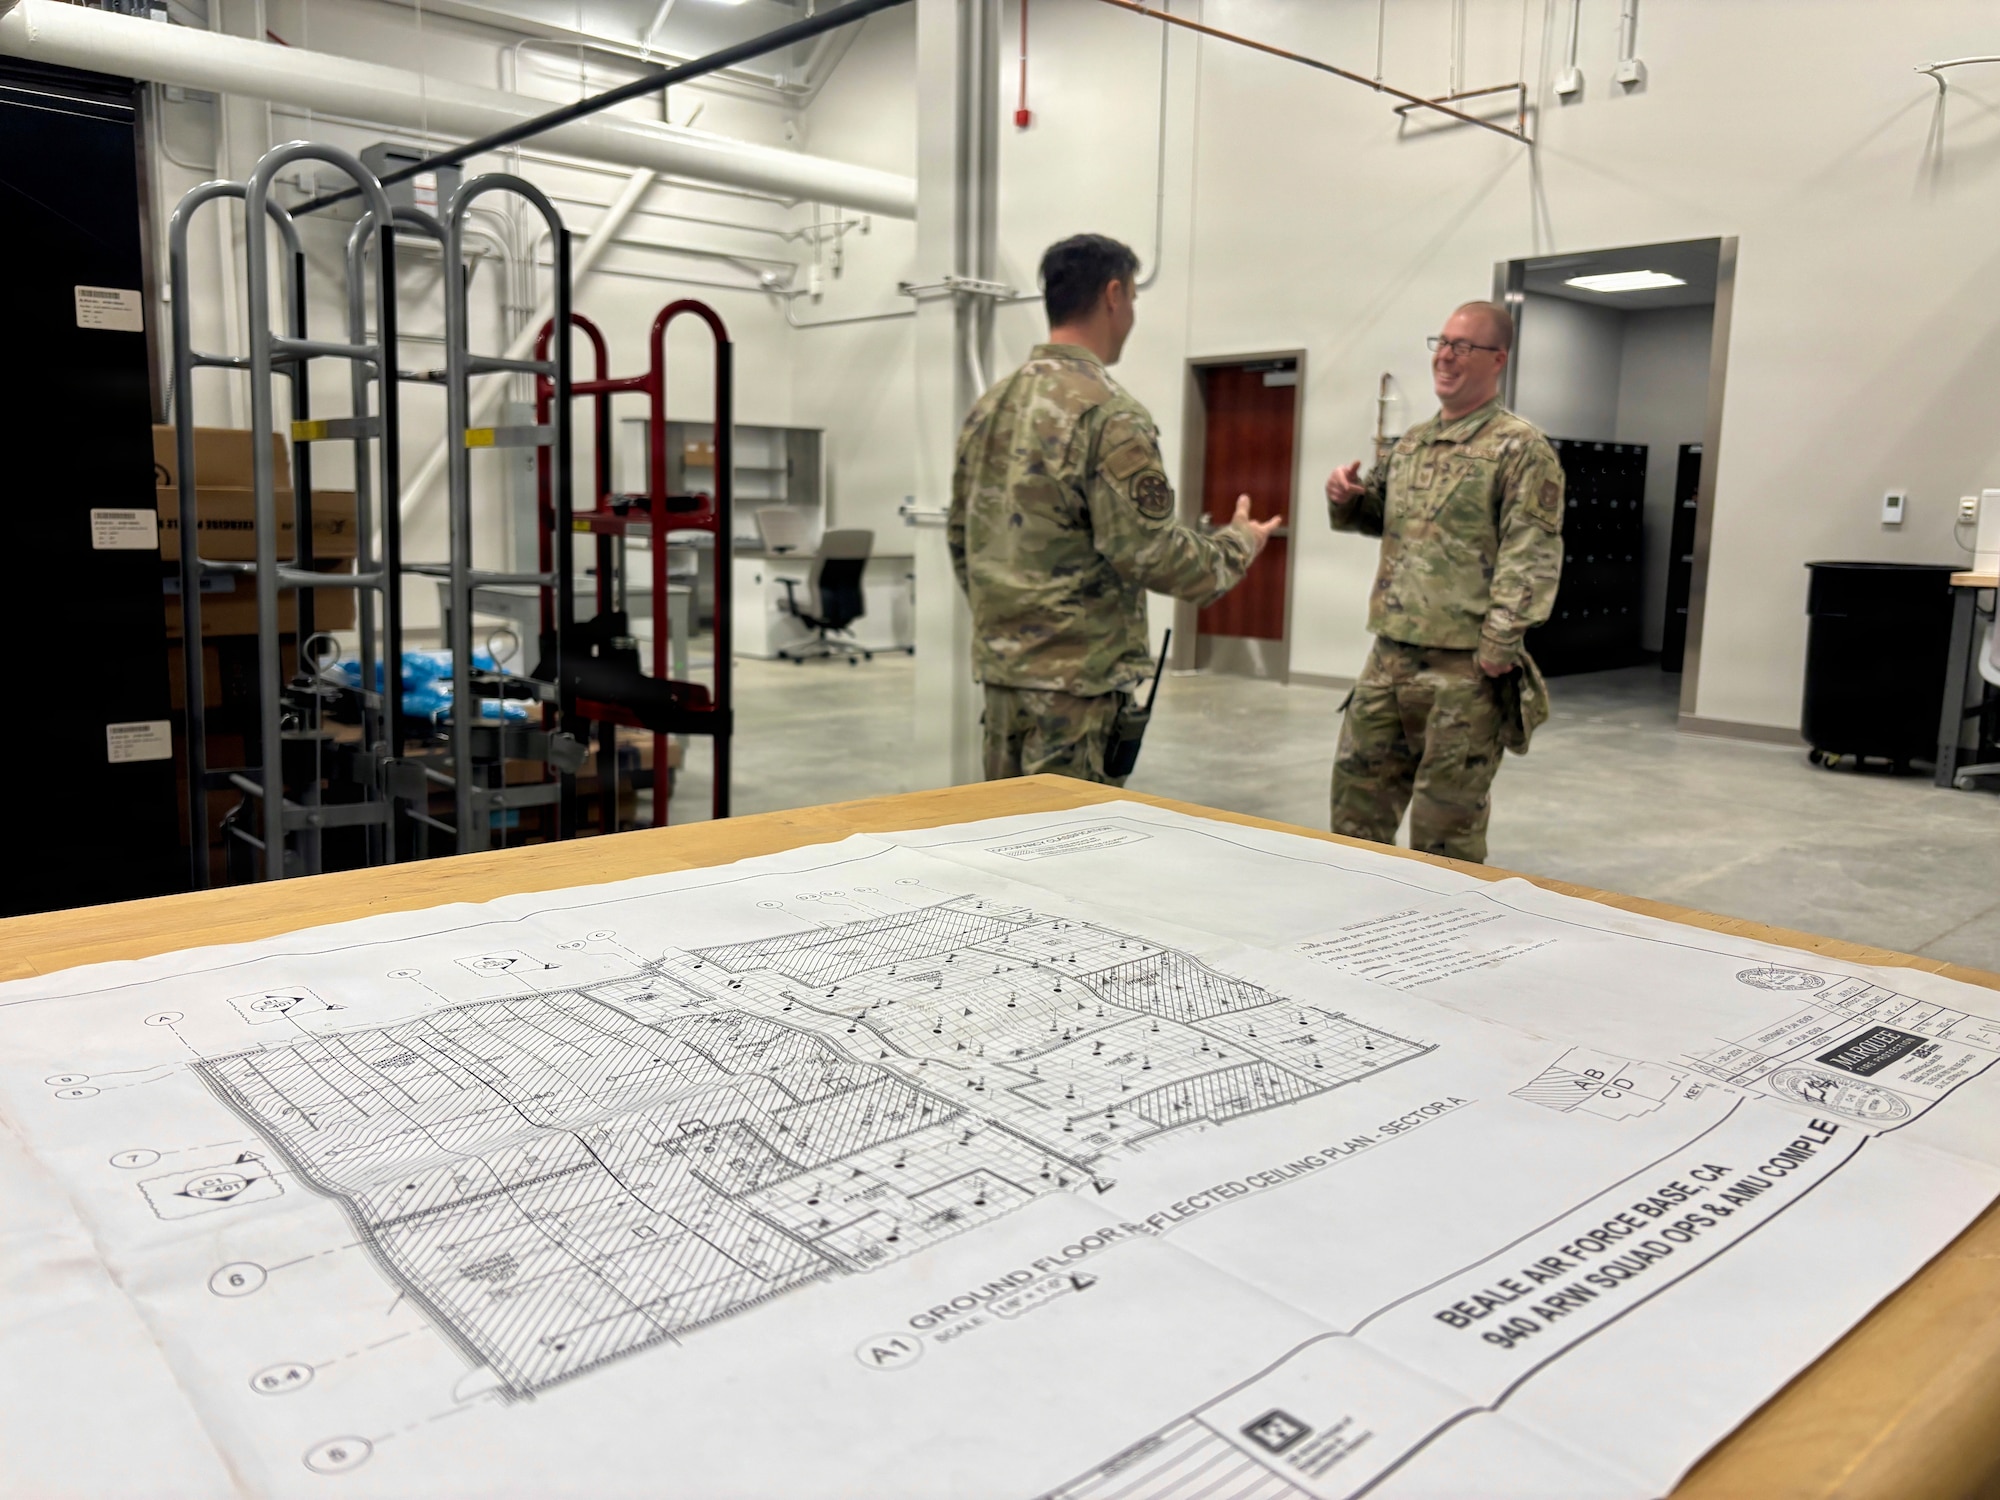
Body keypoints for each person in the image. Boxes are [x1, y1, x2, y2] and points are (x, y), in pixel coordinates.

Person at [951, 233, 1282, 784]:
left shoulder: (989, 407)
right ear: (1114, 294)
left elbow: (962, 539)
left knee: (1005, 840)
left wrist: (1013, 629)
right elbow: (1152, 554)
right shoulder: (1109, 415)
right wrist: (1239, 542)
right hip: (1078, 691)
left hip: (1004, 678)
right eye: (1132, 297)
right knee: (1068, 849)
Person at [1324, 300, 1564, 863]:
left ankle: (1439, 944)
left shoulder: (1521, 448)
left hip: (1464, 670)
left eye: (1464, 346)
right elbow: (1382, 515)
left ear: (1498, 359)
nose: (1447, 356)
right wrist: (1348, 499)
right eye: (1442, 342)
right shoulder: (1411, 443)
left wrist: (1499, 647)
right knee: (1355, 811)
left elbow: (1531, 551)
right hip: (1389, 658)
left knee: (1444, 832)